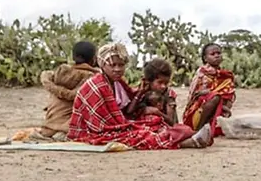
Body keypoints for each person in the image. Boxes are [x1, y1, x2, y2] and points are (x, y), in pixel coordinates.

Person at [68, 43, 212, 149]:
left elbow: (128, 111)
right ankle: (187, 142)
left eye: (121, 65)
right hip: (96, 131)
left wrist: (140, 95)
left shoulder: (118, 83)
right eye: (112, 65)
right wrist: (127, 124)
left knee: (154, 122)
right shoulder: (96, 85)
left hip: (119, 123)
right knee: (141, 134)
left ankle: (189, 135)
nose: (117, 69)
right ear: (102, 65)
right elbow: (102, 124)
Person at [37, 41, 99, 140]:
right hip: (66, 127)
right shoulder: (90, 77)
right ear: (93, 59)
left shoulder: (60, 73)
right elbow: (75, 96)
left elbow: (49, 80)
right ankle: (63, 131)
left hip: (49, 125)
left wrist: (49, 83)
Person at [182, 43, 235, 138]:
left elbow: (229, 94)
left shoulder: (225, 76)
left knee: (223, 95)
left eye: (219, 53)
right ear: (205, 58)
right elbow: (196, 94)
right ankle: (198, 129)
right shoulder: (202, 73)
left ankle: (213, 125)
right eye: (213, 54)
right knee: (215, 97)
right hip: (196, 112)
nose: (217, 55)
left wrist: (224, 106)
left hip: (217, 109)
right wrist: (212, 93)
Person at [126, 57, 178, 125]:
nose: (163, 86)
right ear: (149, 80)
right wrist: (140, 93)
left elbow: (172, 122)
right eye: (160, 82)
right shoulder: (142, 92)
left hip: (166, 127)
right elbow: (129, 112)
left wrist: (157, 113)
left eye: (166, 83)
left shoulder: (169, 94)